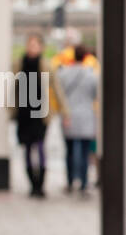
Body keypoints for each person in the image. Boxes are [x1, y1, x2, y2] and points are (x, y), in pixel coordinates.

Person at [56, 44, 100, 195]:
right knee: (85, 150)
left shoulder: (63, 73)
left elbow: (58, 94)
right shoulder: (92, 75)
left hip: (68, 115)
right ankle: (83, 181)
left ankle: (69, 181)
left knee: (69, 150)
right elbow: (96, 95)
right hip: (87, 115)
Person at [14, 33, 50, 197]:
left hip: (40, 112)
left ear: (41, 47)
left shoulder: (45, 65)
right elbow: (12, 87)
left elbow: (56, 88)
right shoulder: (19, 64)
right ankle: (32, 184)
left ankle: (41, 184)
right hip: (24, 112)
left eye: (35, 45)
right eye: (30, 44)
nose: (32, 47)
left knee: (41, 146)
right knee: (27, 147)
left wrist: (65, 111)